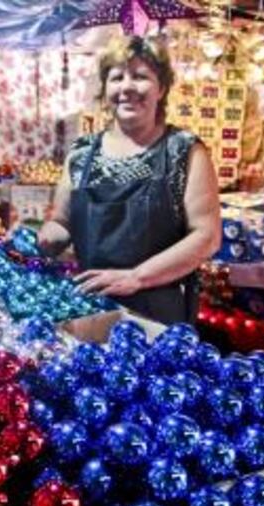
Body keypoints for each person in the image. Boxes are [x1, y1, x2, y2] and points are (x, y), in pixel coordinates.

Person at [37, 35, 221, 324]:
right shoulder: (82, 154)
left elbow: (206, 236)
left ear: (161, 87)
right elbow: (61, 221)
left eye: (140, 76)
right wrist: (44, 238)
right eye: (116, 77)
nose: (126, 87)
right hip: (92, 307)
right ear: (105, 88)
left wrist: (137, 277)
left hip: (158, 315)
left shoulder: (184, 151)